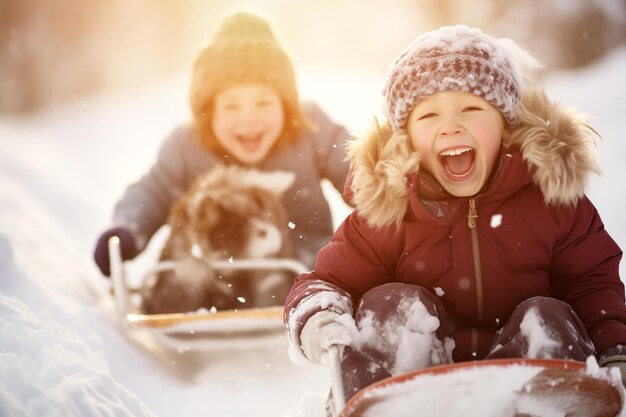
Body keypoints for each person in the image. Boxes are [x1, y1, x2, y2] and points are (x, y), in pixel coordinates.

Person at [283, 25, 626, 406]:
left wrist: (615, 348)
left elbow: (593, 284)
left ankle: (552, 405)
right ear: (407, 138)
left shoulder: (551, 201)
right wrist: (321, 314)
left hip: (519, 384)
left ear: (505, 125)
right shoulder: (389, 211)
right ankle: (377, 406)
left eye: (471, 108)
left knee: (548, 315)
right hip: (414, 383)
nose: (450, 126)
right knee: (391, 304)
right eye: (428, 116)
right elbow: (329, 280)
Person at [93, 9, 351, 279]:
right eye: (231, 105)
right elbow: (153, 192)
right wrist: (128, 229)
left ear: (285, 105)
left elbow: (352, 163)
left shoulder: (309, 129)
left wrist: (384, 197)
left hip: (301, 269)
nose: (249, 119)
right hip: (213, 276)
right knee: (185, 277)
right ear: (208, 112)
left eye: (263, 102)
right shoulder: (187, 145)